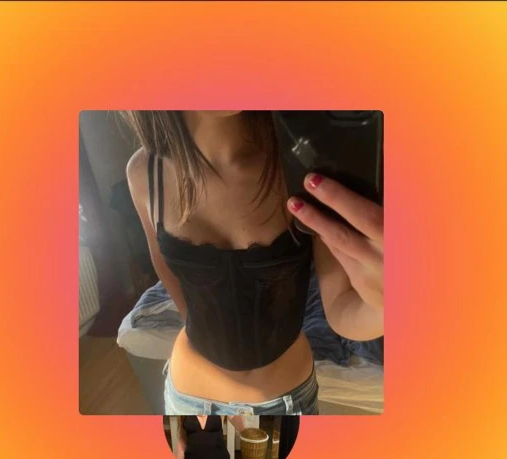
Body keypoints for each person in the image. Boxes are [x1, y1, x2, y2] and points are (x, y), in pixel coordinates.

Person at [124, 111, 384, 415]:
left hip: (286, 404)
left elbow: (343, 308)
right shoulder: (144, 173)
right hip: (186, 400)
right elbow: (178, 291)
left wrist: (388, 304)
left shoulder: (306, 165)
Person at [174, 415, 245, 459]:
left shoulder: (220, 408)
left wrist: (238, 409)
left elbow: (240, 426)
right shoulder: (184, 411)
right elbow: (182, 440)